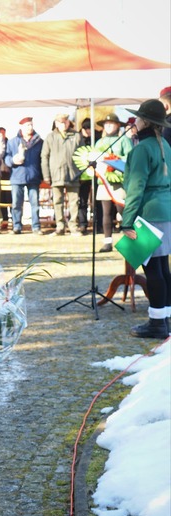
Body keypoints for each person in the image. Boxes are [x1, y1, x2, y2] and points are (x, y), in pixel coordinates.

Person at [120, 99, 171, 339]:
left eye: (138, 118)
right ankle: (166, 318)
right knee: (163, 267)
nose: (135, 121)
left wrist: (127, 221)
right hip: (166, 211)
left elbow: (136, 188)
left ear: (145, 122)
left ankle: (157, 323)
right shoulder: (165, 146)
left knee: (152, 270)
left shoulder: (141, 149)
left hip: (148, 212)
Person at [94, 113, 132, 253]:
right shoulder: (100, 142)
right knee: (106, 212)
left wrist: (115, 159)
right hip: (104, 182)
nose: (109, 126)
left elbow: (129, 157)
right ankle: (107, 241)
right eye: (106, 124)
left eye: (112, 124)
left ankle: (129, 240)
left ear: (117, 126)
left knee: (123, 211)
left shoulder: (124, 140)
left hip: (118, 182)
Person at [41, 113, 83, 236]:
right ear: (56, 123)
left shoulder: (76, 136)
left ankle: (73, 227)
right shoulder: (50, 137)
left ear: (69, 122)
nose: (63, 124)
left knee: (74, 202)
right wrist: (46, 175)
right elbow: (44, 157)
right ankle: (60, 226)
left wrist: (82, 173)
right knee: (57, 202)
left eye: (65, 121)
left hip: (73, 174)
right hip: (56, 175)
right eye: (60, 122)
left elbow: (83, 154)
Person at [4, 117, 43, 235]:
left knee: (35, 204)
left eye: (31, 125)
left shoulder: (40, 142)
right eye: (27, 125)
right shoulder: (12, 142)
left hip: (33, 176)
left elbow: (43, 159)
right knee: (16, 203)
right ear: (21, 127)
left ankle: (36, 227)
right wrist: (13, 161)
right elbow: (6, 159)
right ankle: (17, 226)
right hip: (17, 176)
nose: (30, 127)